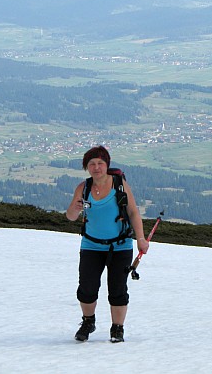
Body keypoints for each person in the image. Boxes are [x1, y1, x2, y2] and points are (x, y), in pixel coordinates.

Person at [66, 145, 149, 343]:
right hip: (91, 246)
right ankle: (88, 322)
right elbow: (70, 217)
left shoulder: (119, 185)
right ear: (87, 167)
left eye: (100, 163)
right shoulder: (83, 187)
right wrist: (75, 208)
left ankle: (117, 328)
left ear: (107, 165)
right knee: (86, 288)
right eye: (92, 164)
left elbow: (133, 213)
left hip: (120, 246)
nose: (96, 167)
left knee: (118, 289)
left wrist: (140, 239)